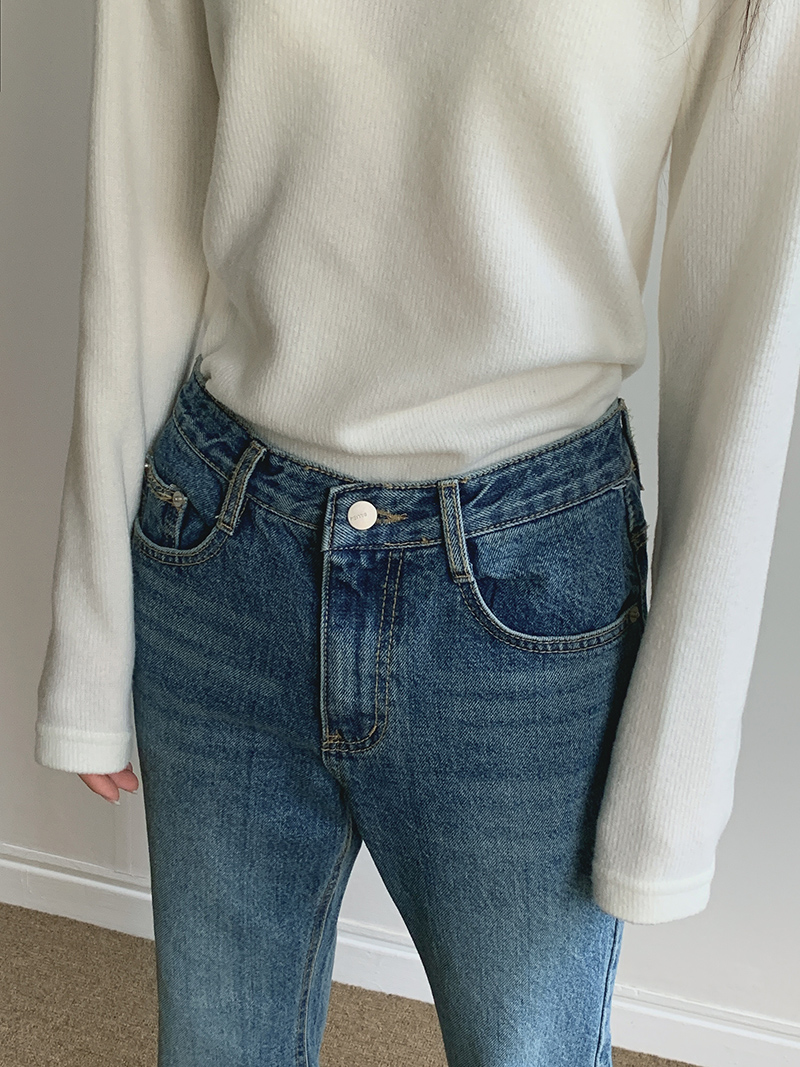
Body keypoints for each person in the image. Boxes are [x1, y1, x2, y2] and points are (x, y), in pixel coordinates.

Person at [34, 0, 799, 1064]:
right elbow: (142, 197)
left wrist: (677, 768)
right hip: (224, 541)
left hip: (525, 593)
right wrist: (89, 638)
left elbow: (749, 310)